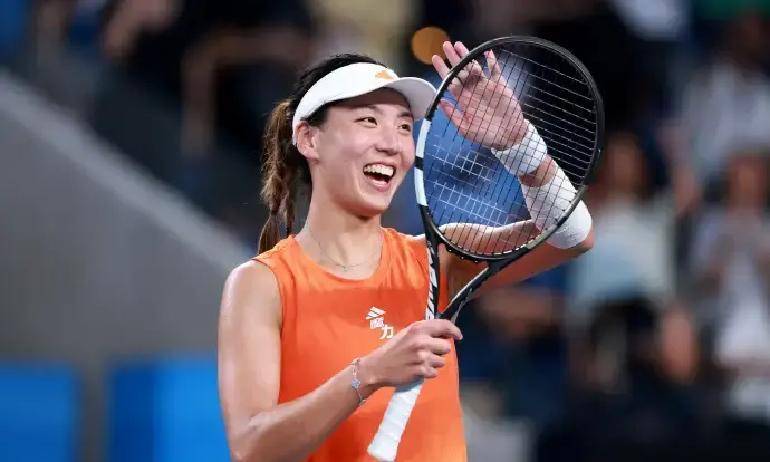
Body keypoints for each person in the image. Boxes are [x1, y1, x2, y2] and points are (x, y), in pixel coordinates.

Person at [217, 41, 594, 461]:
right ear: (309, 138)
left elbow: (572, 235)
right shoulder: (262, 283)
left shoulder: (436, 260)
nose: (392, 143)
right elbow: (251, 448)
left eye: (402, 126)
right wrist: (368, 374)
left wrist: (520, 146)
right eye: (368, 120)